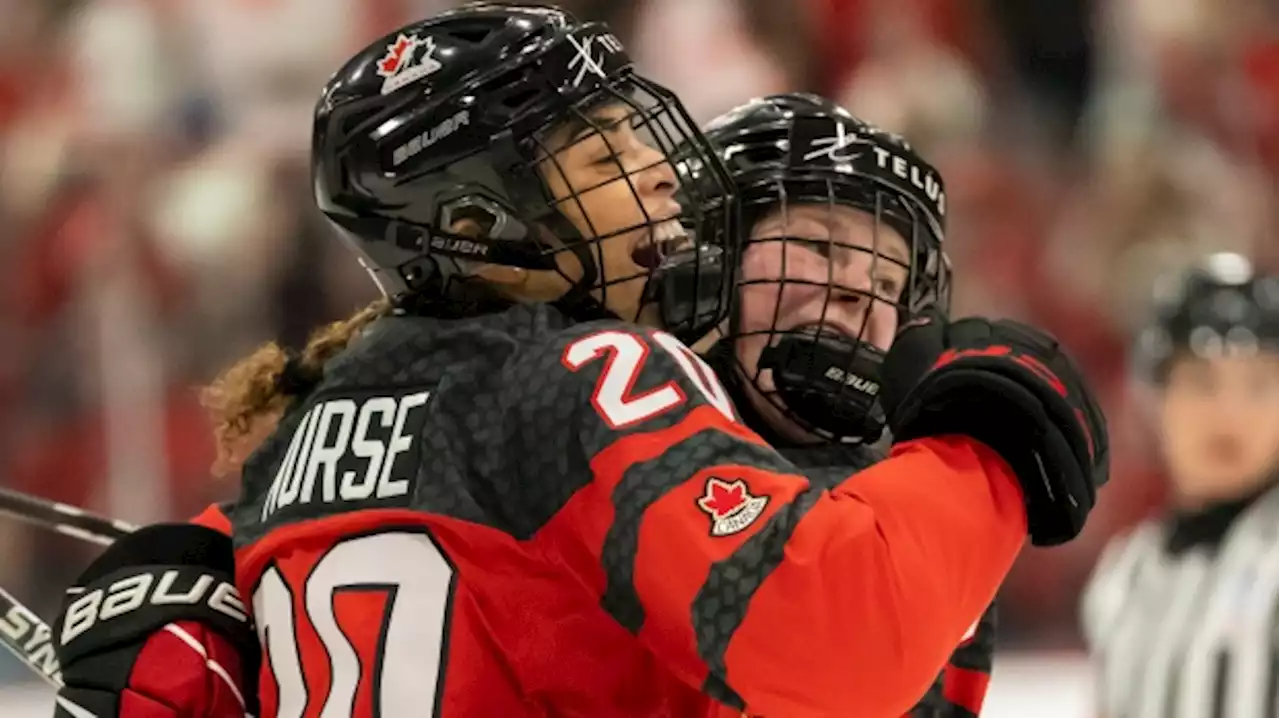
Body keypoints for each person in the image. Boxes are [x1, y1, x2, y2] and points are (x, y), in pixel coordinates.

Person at [50, 5, 1107, 718]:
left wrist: (179, 581)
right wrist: (982, 458)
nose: (656, 183)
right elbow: (834, 634)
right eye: (607, 158)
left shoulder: (313, 428)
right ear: (476, 219)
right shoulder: (586, 374)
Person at [694, 92, 997, 717]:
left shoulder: (911, 510)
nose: (859, 290)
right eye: (822, 248)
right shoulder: (603, 440)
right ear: (711, 255)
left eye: (888, 281)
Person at [1081, 253, 1279, 718]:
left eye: (1259, 385)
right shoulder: (1123, 573)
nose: (1229, 412)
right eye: (1202, 382)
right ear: (1156, 397)